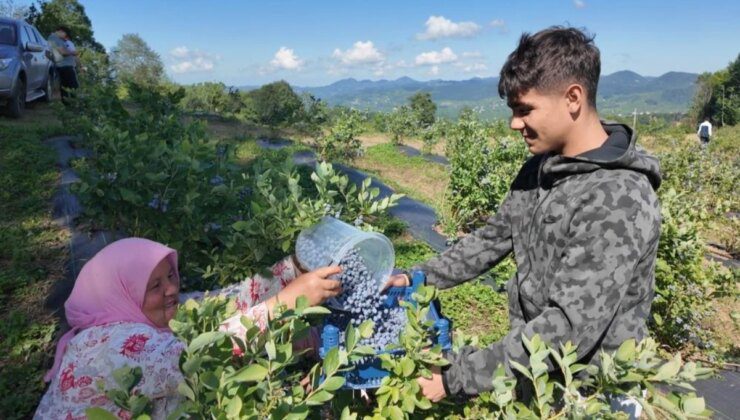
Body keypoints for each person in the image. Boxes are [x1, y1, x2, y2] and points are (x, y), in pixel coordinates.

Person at [387, 26, 662, 409]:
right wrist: (419, 276)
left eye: (525, 109)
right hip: (534, 374)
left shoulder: (618, 198)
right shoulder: (540, 170)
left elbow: (567, 329)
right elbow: (491, 239)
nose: (514, 124)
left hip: (590, 395)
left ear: (573, 98)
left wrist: (455, 377)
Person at [34, 237, 342, 419]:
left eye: (171, 275)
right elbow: (198, 357)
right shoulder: (109, 345)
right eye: (154, 284)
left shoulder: (142, 313)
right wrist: (285, 303)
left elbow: (224, 301)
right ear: (124, 291)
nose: (170, 289)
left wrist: (296, 269)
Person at [47, 26, 79, 103]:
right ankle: (73, 104)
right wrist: (73, 53)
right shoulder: (54, 38)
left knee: (65, 86)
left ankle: (68, 104)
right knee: (73, 86)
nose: (65, 37)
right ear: (61, 31)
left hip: (64, 65)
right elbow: (62, 52)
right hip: (65, 66)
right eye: (65, 34)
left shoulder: (56, 39)